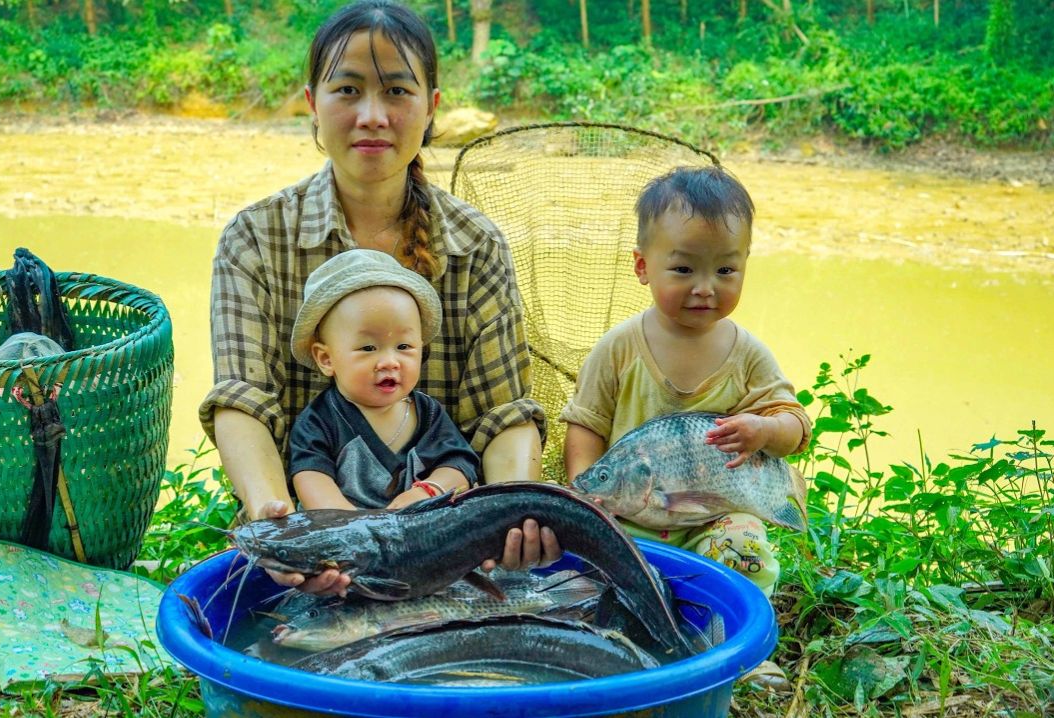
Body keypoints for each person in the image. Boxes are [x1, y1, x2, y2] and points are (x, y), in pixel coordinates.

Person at [200, 0, 558, 597]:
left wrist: (513, 512)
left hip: (453, 547)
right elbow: (242, 401)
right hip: (315, 545)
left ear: (431, 109)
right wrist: (283, 524)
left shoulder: (475, 245)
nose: (372, 116)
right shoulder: (255, 239)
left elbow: (503, 415)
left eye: (396, 91)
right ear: (313, 104)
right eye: (347, 90)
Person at [561, 165, 810, 688]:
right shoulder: (618, 349)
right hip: (627, 513)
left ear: (745, 267)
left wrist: (765, 432)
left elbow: (795, 425)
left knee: (745, 551)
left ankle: (736, 648)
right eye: (683, 270)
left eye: (725, 271)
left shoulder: (748, 356)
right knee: (587, 577)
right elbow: (585, 426)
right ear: (642, 266)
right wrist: (584, 490)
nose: (705, 289)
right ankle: (621, 642)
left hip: (712, 516)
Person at [288, 250, 480, 510]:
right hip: (345, 537)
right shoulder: (320, 421)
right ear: (326, 359)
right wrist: (357, 527)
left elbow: (459, 466)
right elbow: (311, 479)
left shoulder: (427, 414)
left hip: (419, 536)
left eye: (403, 346)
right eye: (368, 348)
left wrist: (426, 491)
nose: (390, 361)